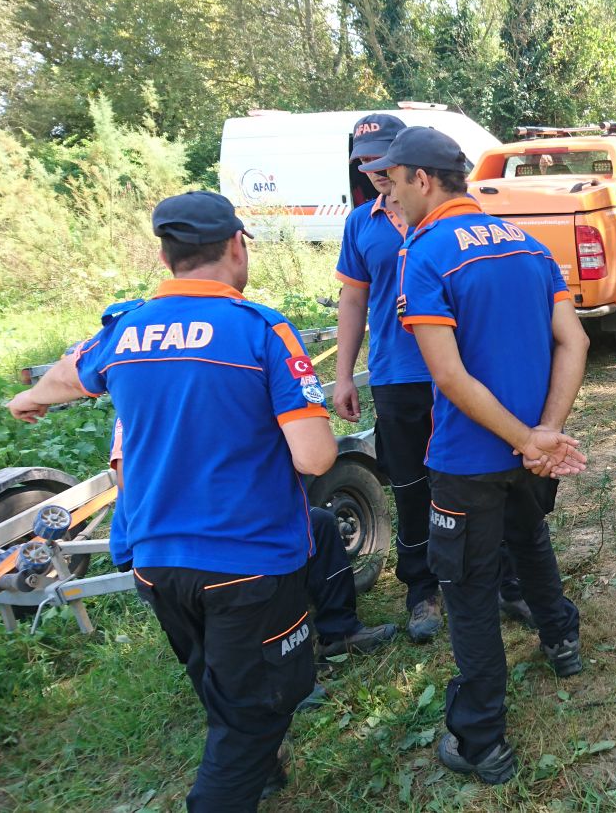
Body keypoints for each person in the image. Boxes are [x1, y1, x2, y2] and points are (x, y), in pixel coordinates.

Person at [8, 191, 338, 810]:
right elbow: (316, 457)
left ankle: (261, 770)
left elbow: (66, 375)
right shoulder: (261, 330)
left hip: (157, 562)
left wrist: (29, 401)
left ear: (166, 254)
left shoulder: (126, 328)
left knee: (216, 676)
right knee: (257, 711)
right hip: (248, 561)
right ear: (237, 246)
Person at [361, 127, 587, 785]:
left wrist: (525, 438)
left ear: (422, 180)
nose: (389, 194)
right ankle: (562, 640)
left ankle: (482, 739)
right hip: (528, 449)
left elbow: (451, 378)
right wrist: (543, 433)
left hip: (468, 458)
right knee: (530, 539)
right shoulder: (527, 243)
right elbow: (572, 343)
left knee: (467, 592)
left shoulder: (425, 253)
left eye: (394, 181)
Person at [332, 113, 535, 642]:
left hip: (464, 374)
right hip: (399, 374)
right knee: (409, 483)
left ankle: (508, 581)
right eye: (364, 158)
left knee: (491, 473)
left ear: (409, 166)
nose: (374, 168)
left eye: (383, 157)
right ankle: (422, 587)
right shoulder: (361, 223)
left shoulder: (451, 219)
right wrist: (343, 374)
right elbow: (353, 299)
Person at [109, 419, 396, 667]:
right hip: (169, 535)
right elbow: (127, 476)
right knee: (259, 550)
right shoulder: (141, 394)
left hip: (216, 519)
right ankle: (276, 672)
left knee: (316, 523)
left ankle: (339, 631)